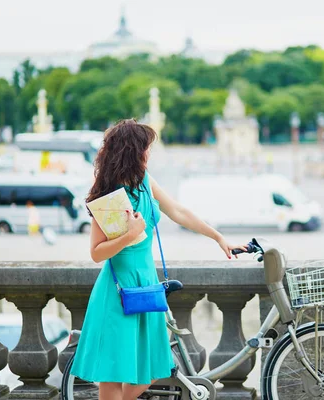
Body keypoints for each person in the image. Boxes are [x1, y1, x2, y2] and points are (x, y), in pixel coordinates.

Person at [71, 119, 246, 400]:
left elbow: (178, 210)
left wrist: (217, 237)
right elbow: (96, 252)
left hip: (147, 284)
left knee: (154, 366)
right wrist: (130, 235)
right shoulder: (111, 195)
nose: (149, 154)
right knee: (114, 374)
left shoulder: (143, 182)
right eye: (146, 148)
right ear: (132, 151)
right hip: (118, 291)